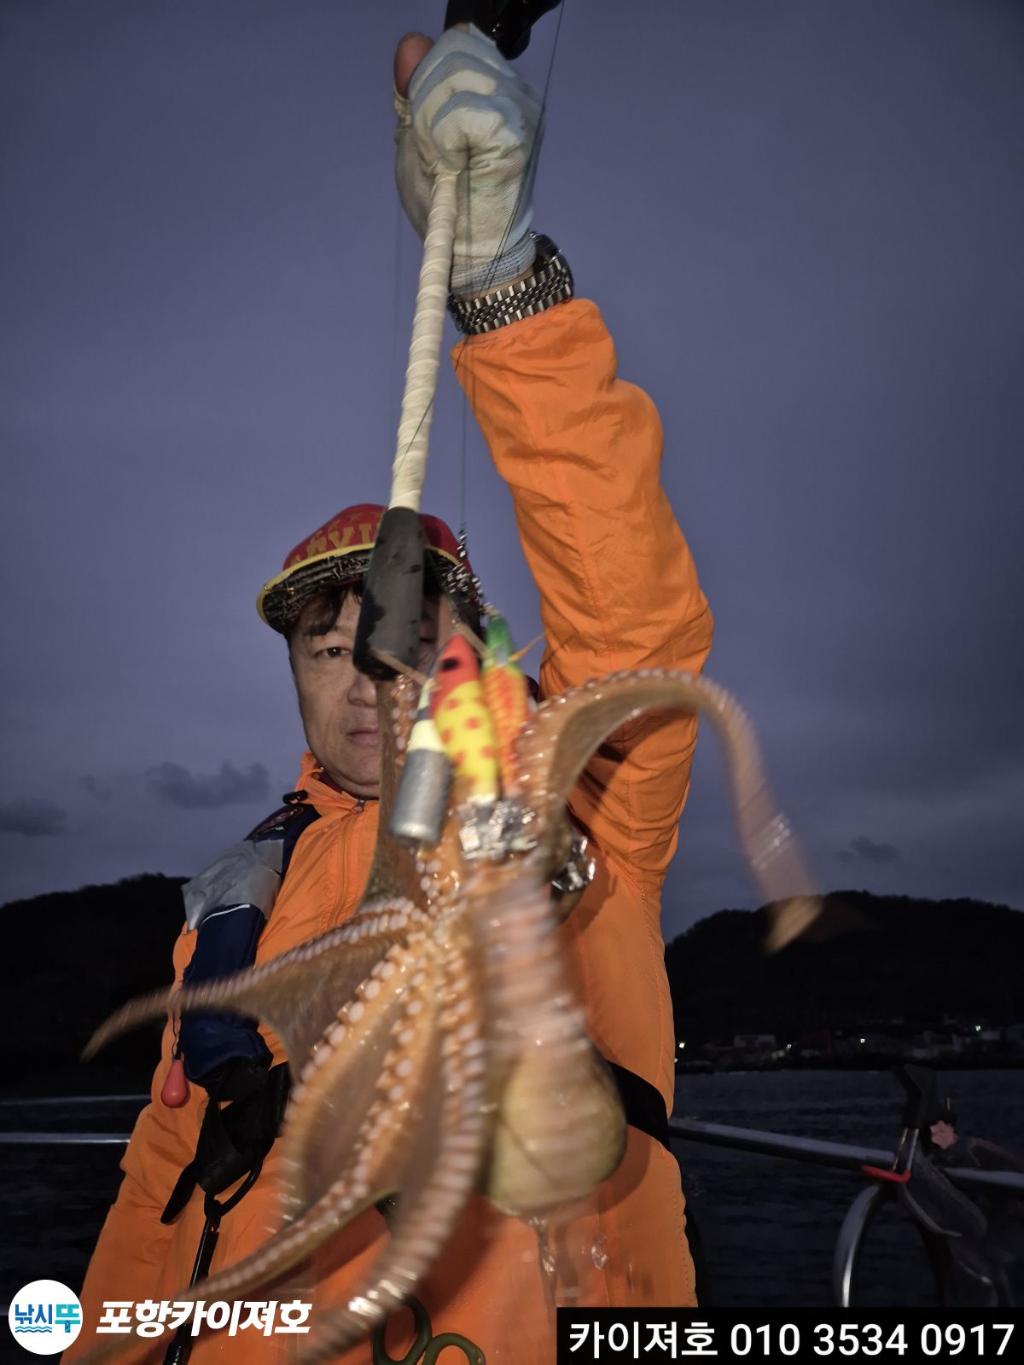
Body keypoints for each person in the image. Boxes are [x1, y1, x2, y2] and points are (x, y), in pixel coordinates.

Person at [69, 23, 713, 1363]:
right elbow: (157, 1195)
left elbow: (633, 620)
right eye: (328, 651)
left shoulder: (576, 797)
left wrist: (502, 283)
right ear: (292, 679)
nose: (367, 684)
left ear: (467, 652)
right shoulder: (232, 907)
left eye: (403, 645)